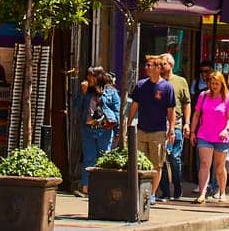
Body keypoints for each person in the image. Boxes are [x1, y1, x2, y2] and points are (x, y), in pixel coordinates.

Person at [127, 55, 177, 204]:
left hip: (158, 131)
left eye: (150, 65)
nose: (146, 68)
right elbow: (134, 106)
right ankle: (139, 191)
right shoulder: (141, 85)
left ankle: (152, 194)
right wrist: (128, 124)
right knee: (140, 162)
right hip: (142, 129)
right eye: (146, 65)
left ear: (158, 68)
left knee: (156, 164)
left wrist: (172, 129)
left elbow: (171, 110)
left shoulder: (167, 87)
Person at [190, 69, 229, 203]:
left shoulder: (228, 97)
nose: (214, 86)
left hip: (221, 137)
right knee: (204, 164)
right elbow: (197, 114)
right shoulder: (203, 96)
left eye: (217, 83)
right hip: (204, 135)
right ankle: (202, 193)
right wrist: (193, 132)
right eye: (212, 83)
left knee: (219, 167)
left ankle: (222, 192)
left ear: (222, 84)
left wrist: (226, 129)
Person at [79, 68, 119, 194]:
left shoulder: (111, 92)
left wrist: (117, 132)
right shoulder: (86, 91)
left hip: (104, 130)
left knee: (103, 158)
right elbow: (76, 107)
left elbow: (117, 113)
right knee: (89, 158)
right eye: (88, 76)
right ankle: (86, 187)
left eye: (91, 76)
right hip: (88, 129)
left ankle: (102, 187)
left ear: (98, 78)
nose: (88, 79)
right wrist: (83, 93)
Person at [157, 52, 191, 201]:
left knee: (174, 157)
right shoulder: (156, 82)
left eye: (163, 64)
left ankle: (177, 186)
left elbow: (186, 102)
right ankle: (165, 191)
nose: (161, 67)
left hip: (175, 124)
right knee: (161, 159)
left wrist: (187, 123)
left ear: (170, 65)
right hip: (159, 124)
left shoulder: (180, 81)